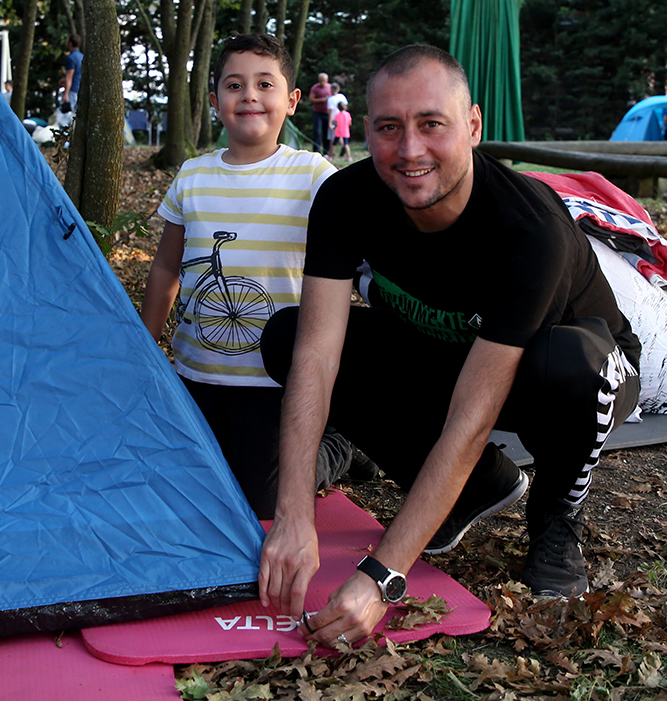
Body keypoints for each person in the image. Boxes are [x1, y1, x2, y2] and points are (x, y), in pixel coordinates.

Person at [257, 44, 641, 646]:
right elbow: (316, 353)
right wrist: (293, 515)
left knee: (573, 365)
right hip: (449, 353)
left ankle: (555, 520)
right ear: (366, 130)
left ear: (473, 126)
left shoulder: (527, 228)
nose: (410, 150)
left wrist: (383, 574)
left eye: (431, 124)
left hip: (561, 371)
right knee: (285, 334)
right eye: (389, 128)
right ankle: (480, 488)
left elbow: (472, 415)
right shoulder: (343, 199)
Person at [141, 34, 357, 518]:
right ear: (215, 100)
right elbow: (165, 267)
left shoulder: (315, 175)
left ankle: (339, 443)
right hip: (196, 375)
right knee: (185, 483)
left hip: (277, 381)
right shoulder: (192, 175)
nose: (250, 96)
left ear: (292, 101)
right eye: (234, 85)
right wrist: (145, 344)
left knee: (261, 499)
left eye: (265, 84)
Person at [308, 73, 332, 155]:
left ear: (327, 80)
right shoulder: (315, 88)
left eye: (324, 81)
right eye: (321, 81)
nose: (322, 83)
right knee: (317, 132)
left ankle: (326, 151)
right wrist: (322, 100)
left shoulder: (330, 87)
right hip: (317, 113)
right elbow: (311, 100)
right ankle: (316, 151)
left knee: (327, 133)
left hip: (328, 113)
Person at [61, 36, 83, 110]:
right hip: (80, 90)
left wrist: (66, 93)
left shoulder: (71, 58)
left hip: (72, 91)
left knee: (64, 118)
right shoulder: (82, 57)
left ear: (70, 44)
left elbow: (69, 77)